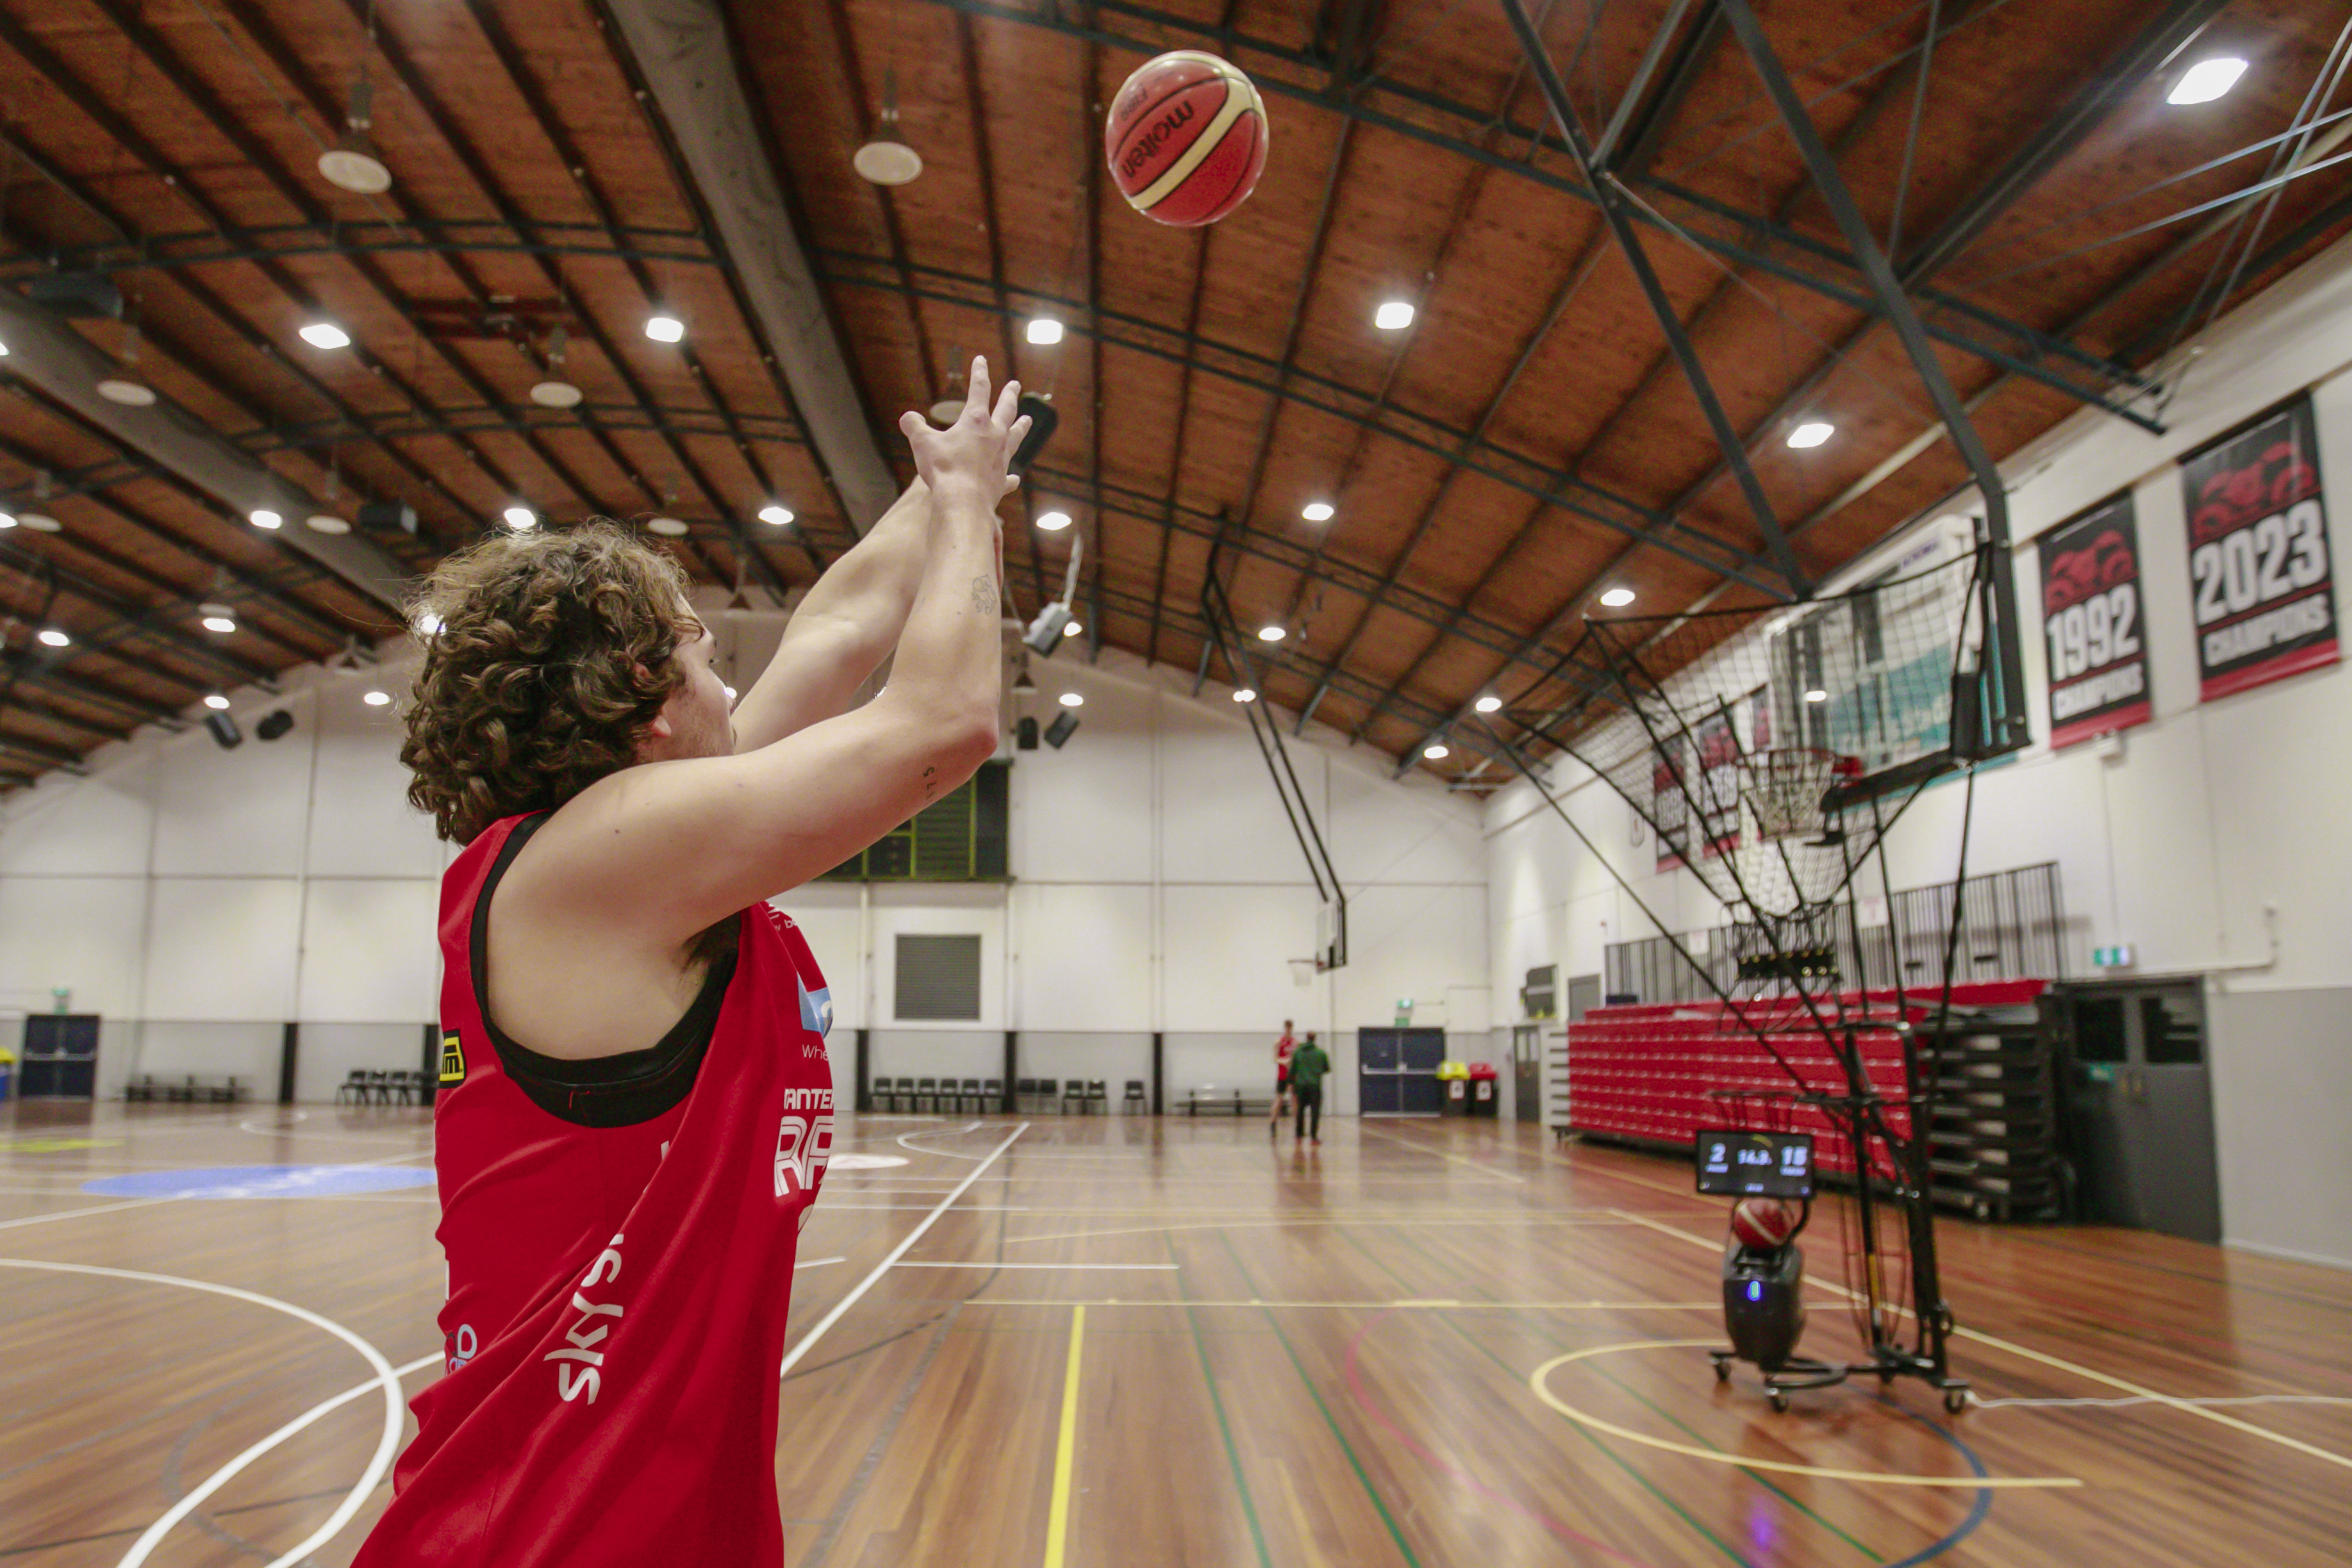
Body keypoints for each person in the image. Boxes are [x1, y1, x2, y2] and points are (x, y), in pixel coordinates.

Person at [354, 359, 1028, 1568]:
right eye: (705, 654)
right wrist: (972, 511)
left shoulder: (636, 860)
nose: (735, 679)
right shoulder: (601, 864)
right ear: (648, 709)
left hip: (643, 1523)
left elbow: (837, 629)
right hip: (542, 1535)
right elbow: (943, 724)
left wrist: (949, 476)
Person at [1289, 1031, 1330, 1144]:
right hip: (1315, 1086)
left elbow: (1292, 1070)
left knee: (1300, 1110)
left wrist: (1291, 1083)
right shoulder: (1321, 1053)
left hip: (1301, 1085)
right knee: (1315, 1111)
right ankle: (1314, 1136)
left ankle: (1299, 1134)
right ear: (1315, 1039)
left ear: (1306, 1038)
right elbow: (1327, 1069)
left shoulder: (1297, 1052)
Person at [1269, 1018, 1296, 1137]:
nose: (1289, 1030)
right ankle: (1273, 1123)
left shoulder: (1296, 1043)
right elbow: (1274, 1059)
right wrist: (1284, 1061)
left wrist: (1293, 1062)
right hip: (1282, 1075)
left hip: (1293, 1076)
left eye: (1290, 1028)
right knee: (1279, 1099)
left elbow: (1297, 1058)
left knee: (1294, 1099)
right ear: (1285, 1028)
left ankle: (1298, 1126)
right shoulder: (1279, 1042)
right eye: (1287, 1028)